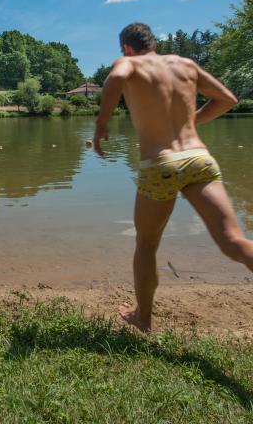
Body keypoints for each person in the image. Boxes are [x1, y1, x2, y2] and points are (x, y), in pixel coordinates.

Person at [94, 22, 252, 332]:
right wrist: (191, 122)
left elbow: (115, 77)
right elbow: (228, 100)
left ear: (127, 47)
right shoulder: (186, 65)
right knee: (233, 241)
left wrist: (101, 125)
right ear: (152, 43)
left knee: (147, 244)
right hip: (199, 158)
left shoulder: (130, 62)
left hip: (160, 164)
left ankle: (143, 319)